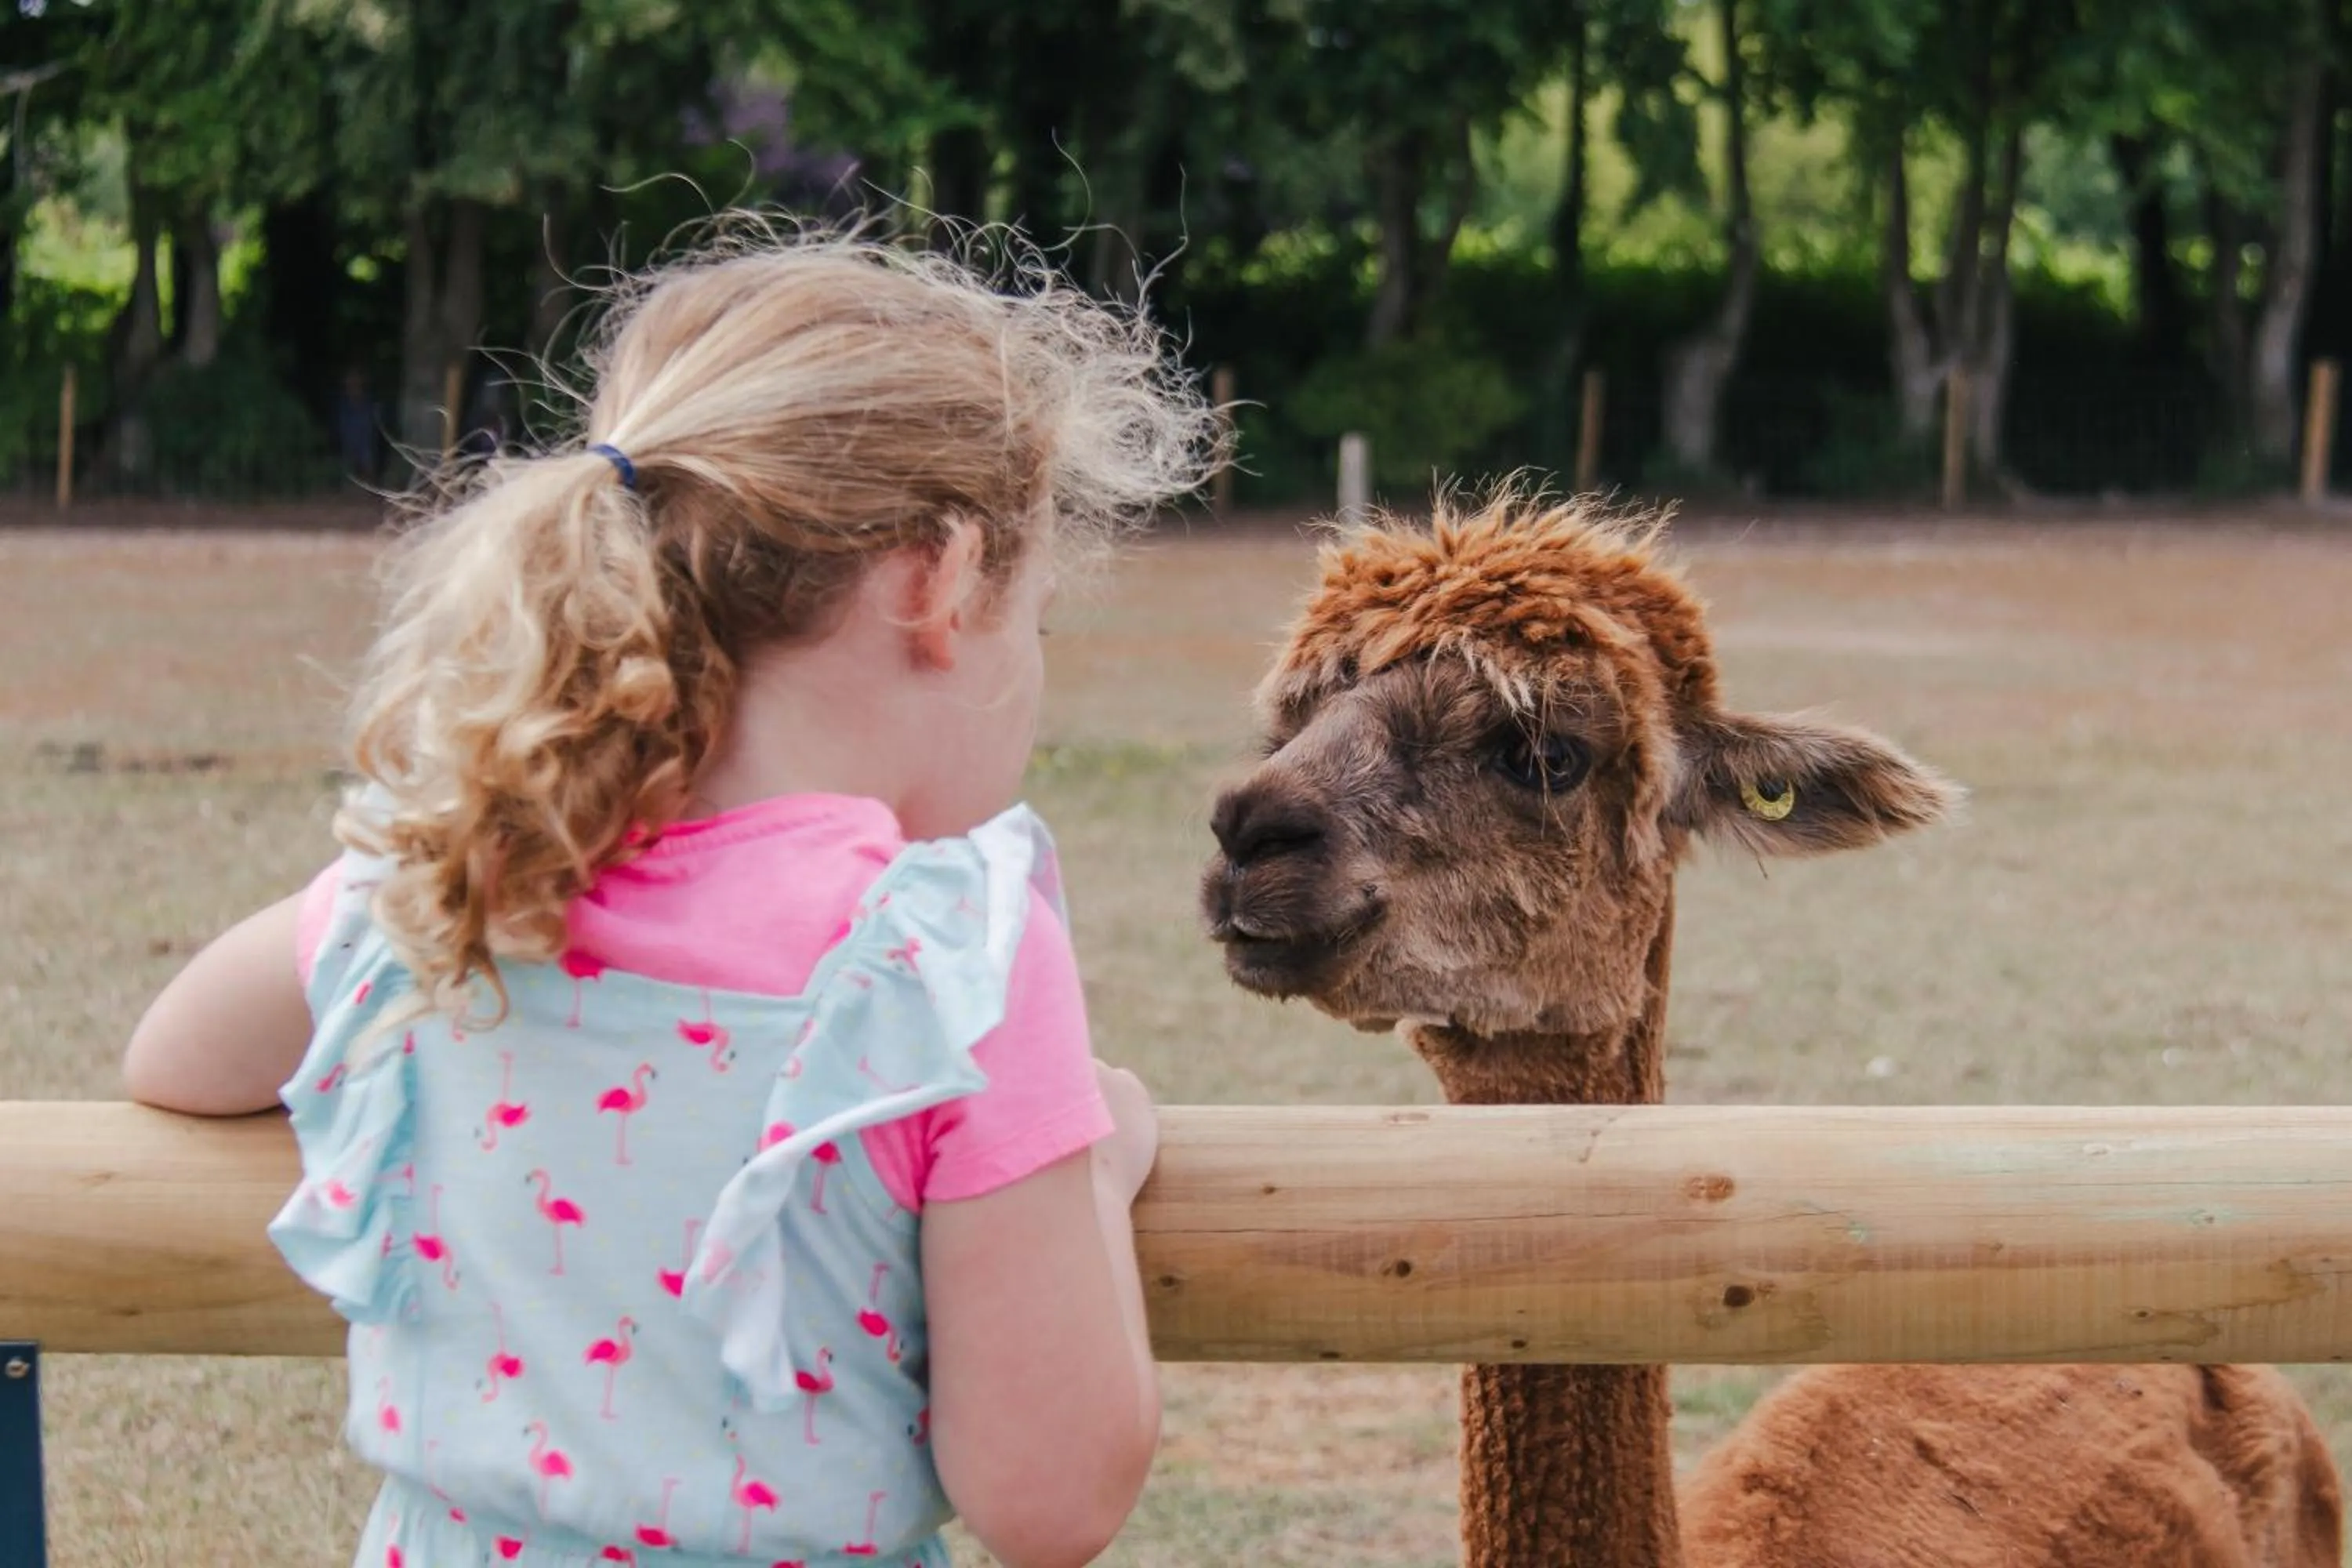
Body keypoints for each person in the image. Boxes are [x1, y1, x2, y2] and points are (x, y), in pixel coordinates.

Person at [122, 232, 1220, 1568]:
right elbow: (1050, 1503)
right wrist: (1090, 1166)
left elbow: (174, 1058)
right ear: (935, 582)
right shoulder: (946, 959)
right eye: (1034, 615)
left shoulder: (456, 883)